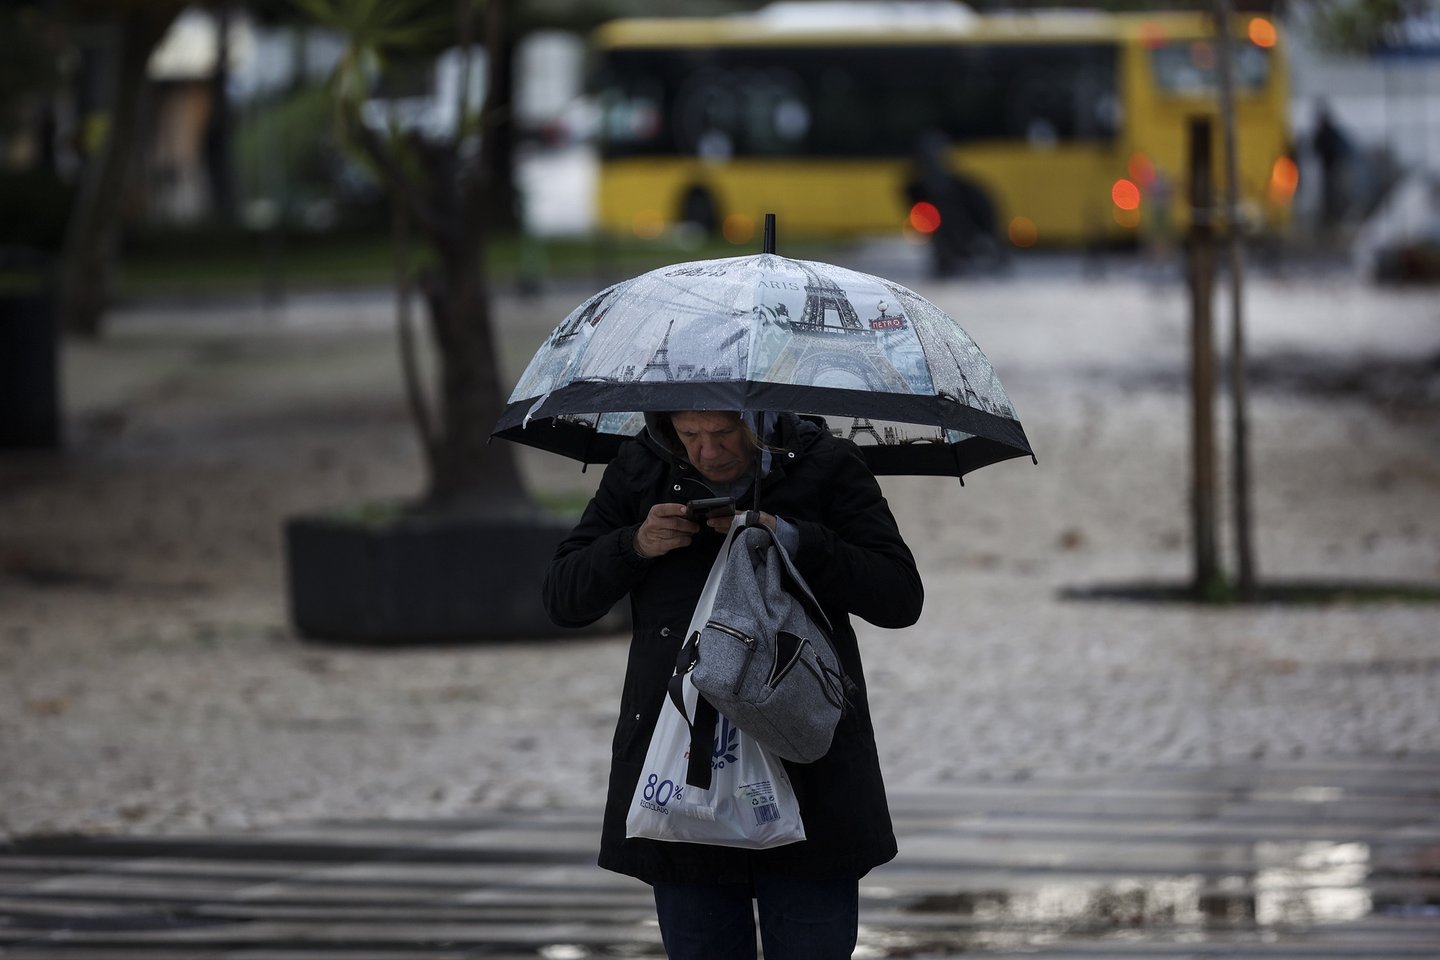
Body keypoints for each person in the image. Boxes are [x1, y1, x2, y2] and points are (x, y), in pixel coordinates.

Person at [543, 409, 923, 959]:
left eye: (724, 435)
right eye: (689, 434)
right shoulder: (639, 467)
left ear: (759, 420)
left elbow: (898, 595)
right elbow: (563, 596)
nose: (707, 452)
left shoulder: (827, 464)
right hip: (684, 775)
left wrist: (788, 537)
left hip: (807, 772)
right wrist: (636, 545)